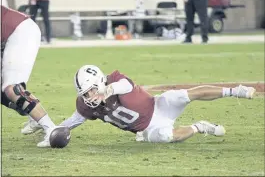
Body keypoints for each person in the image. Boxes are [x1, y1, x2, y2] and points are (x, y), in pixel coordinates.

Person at [22, 65, 256, 146]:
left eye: (92, 89)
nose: (90, 96)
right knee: (164, 137)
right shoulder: (88, 105)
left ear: (100, 82)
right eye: (85, 93)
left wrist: (109, 90)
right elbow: (73, 122)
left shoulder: (114, 82)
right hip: (148, 128)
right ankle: (200, 127)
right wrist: (50, 132)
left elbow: (124, 85)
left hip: (159, 107)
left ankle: (235, 90)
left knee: (179, 95)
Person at [1, 5, 62, 147]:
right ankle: (35, 118)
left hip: (20, 31)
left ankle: (52, 129)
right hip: (14, 33)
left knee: (12, 88)